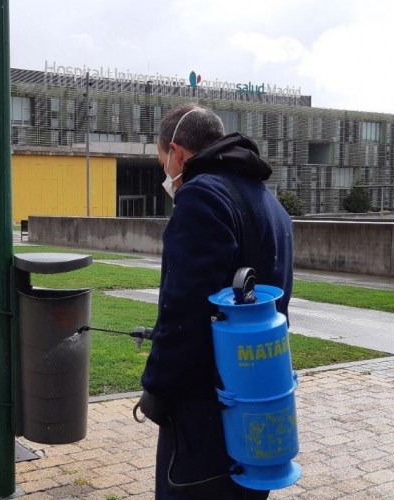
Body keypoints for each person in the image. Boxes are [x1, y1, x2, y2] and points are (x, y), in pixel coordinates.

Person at [138, 103, 294, 499]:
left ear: (175, 151)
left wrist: (156, 389)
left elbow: (185, 310)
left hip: (205, 408)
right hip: (259, 396)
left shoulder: (201, 197)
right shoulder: (267, 200)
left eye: (162, 160)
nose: (165, 171)